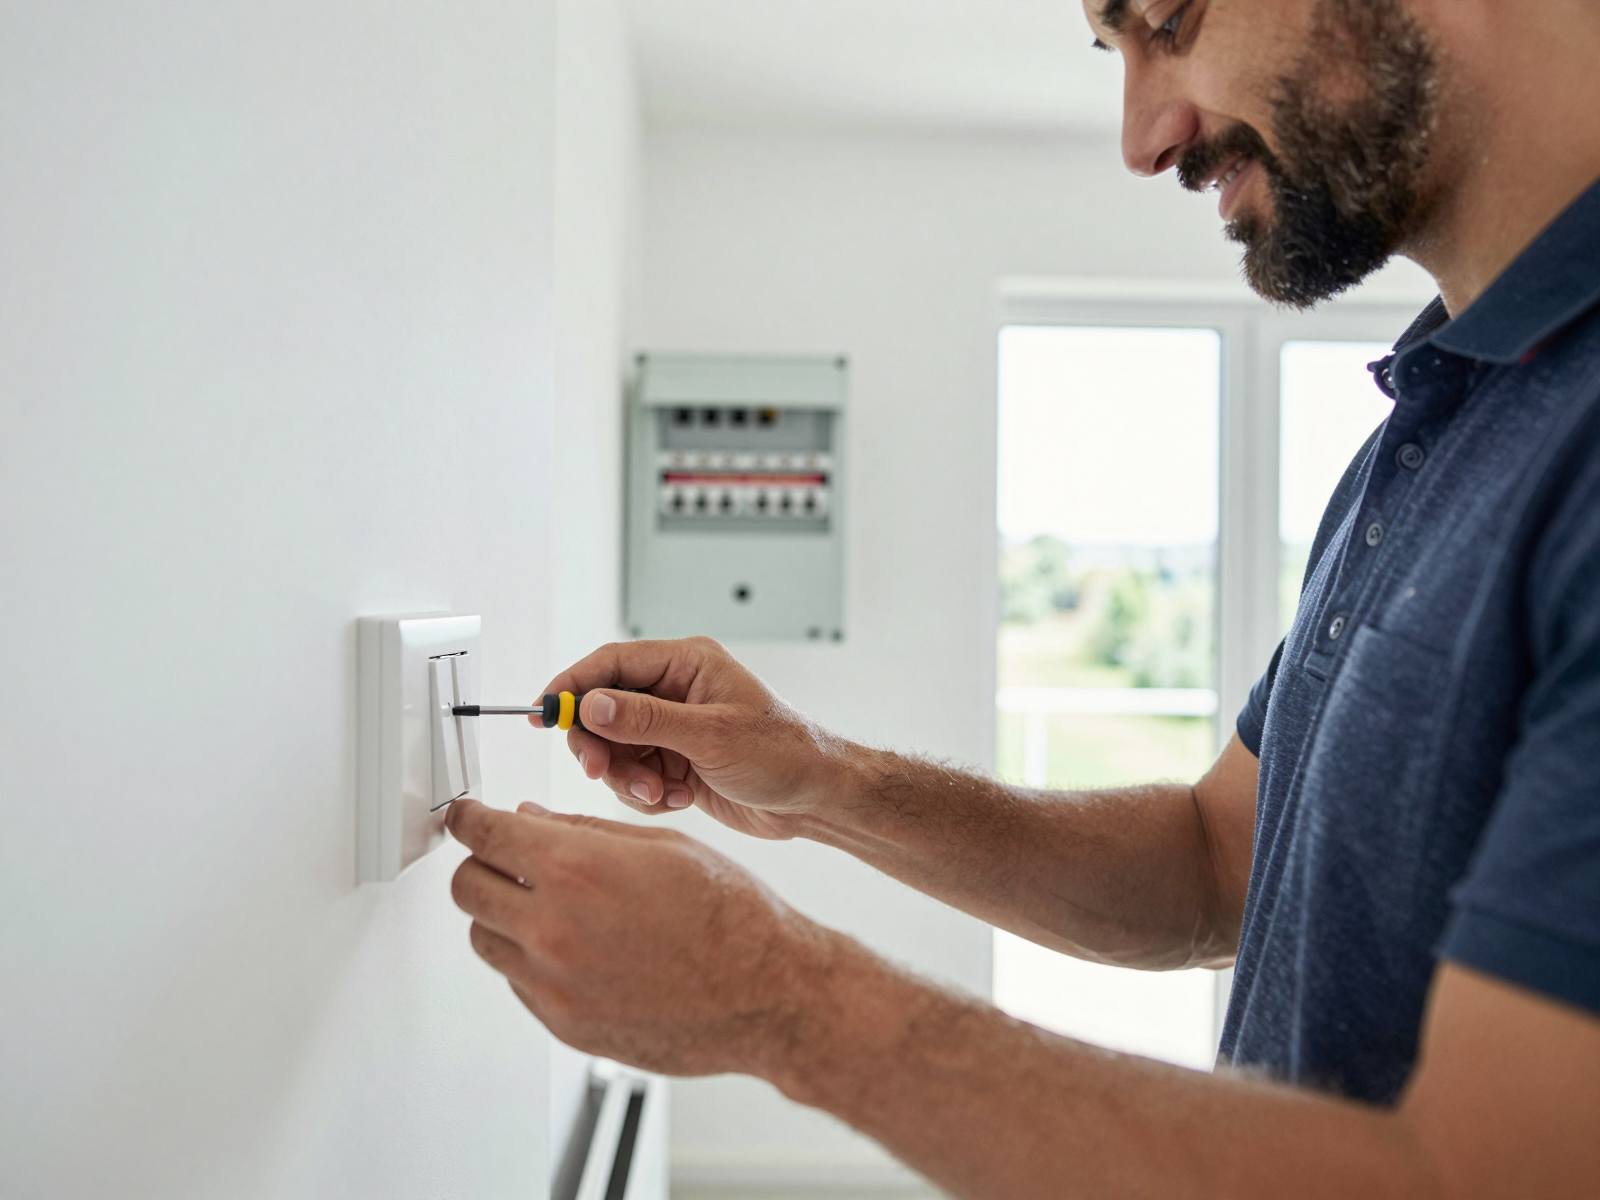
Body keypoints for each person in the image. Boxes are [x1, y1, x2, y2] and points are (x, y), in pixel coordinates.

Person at [446, 0, 1600, 1194]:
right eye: (1116, 55)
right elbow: (1218, 867)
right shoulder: (1432, 421)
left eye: (1169, 18)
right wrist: (818, 779)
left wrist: (771, 993)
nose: (1145, 137)